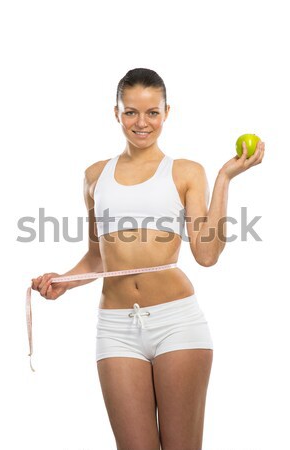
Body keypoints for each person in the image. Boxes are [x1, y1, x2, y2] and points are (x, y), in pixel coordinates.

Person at [31, 68, 265, 450]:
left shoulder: (186, 172)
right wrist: (63, 282)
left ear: (166, 112)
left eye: (152, 112)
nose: (142, 123)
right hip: (116, 328)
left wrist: (225, 178)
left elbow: (206, 255)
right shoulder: (94, 176)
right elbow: (97, 258)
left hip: (177, 322)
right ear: (116, 113)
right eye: (131, 112)